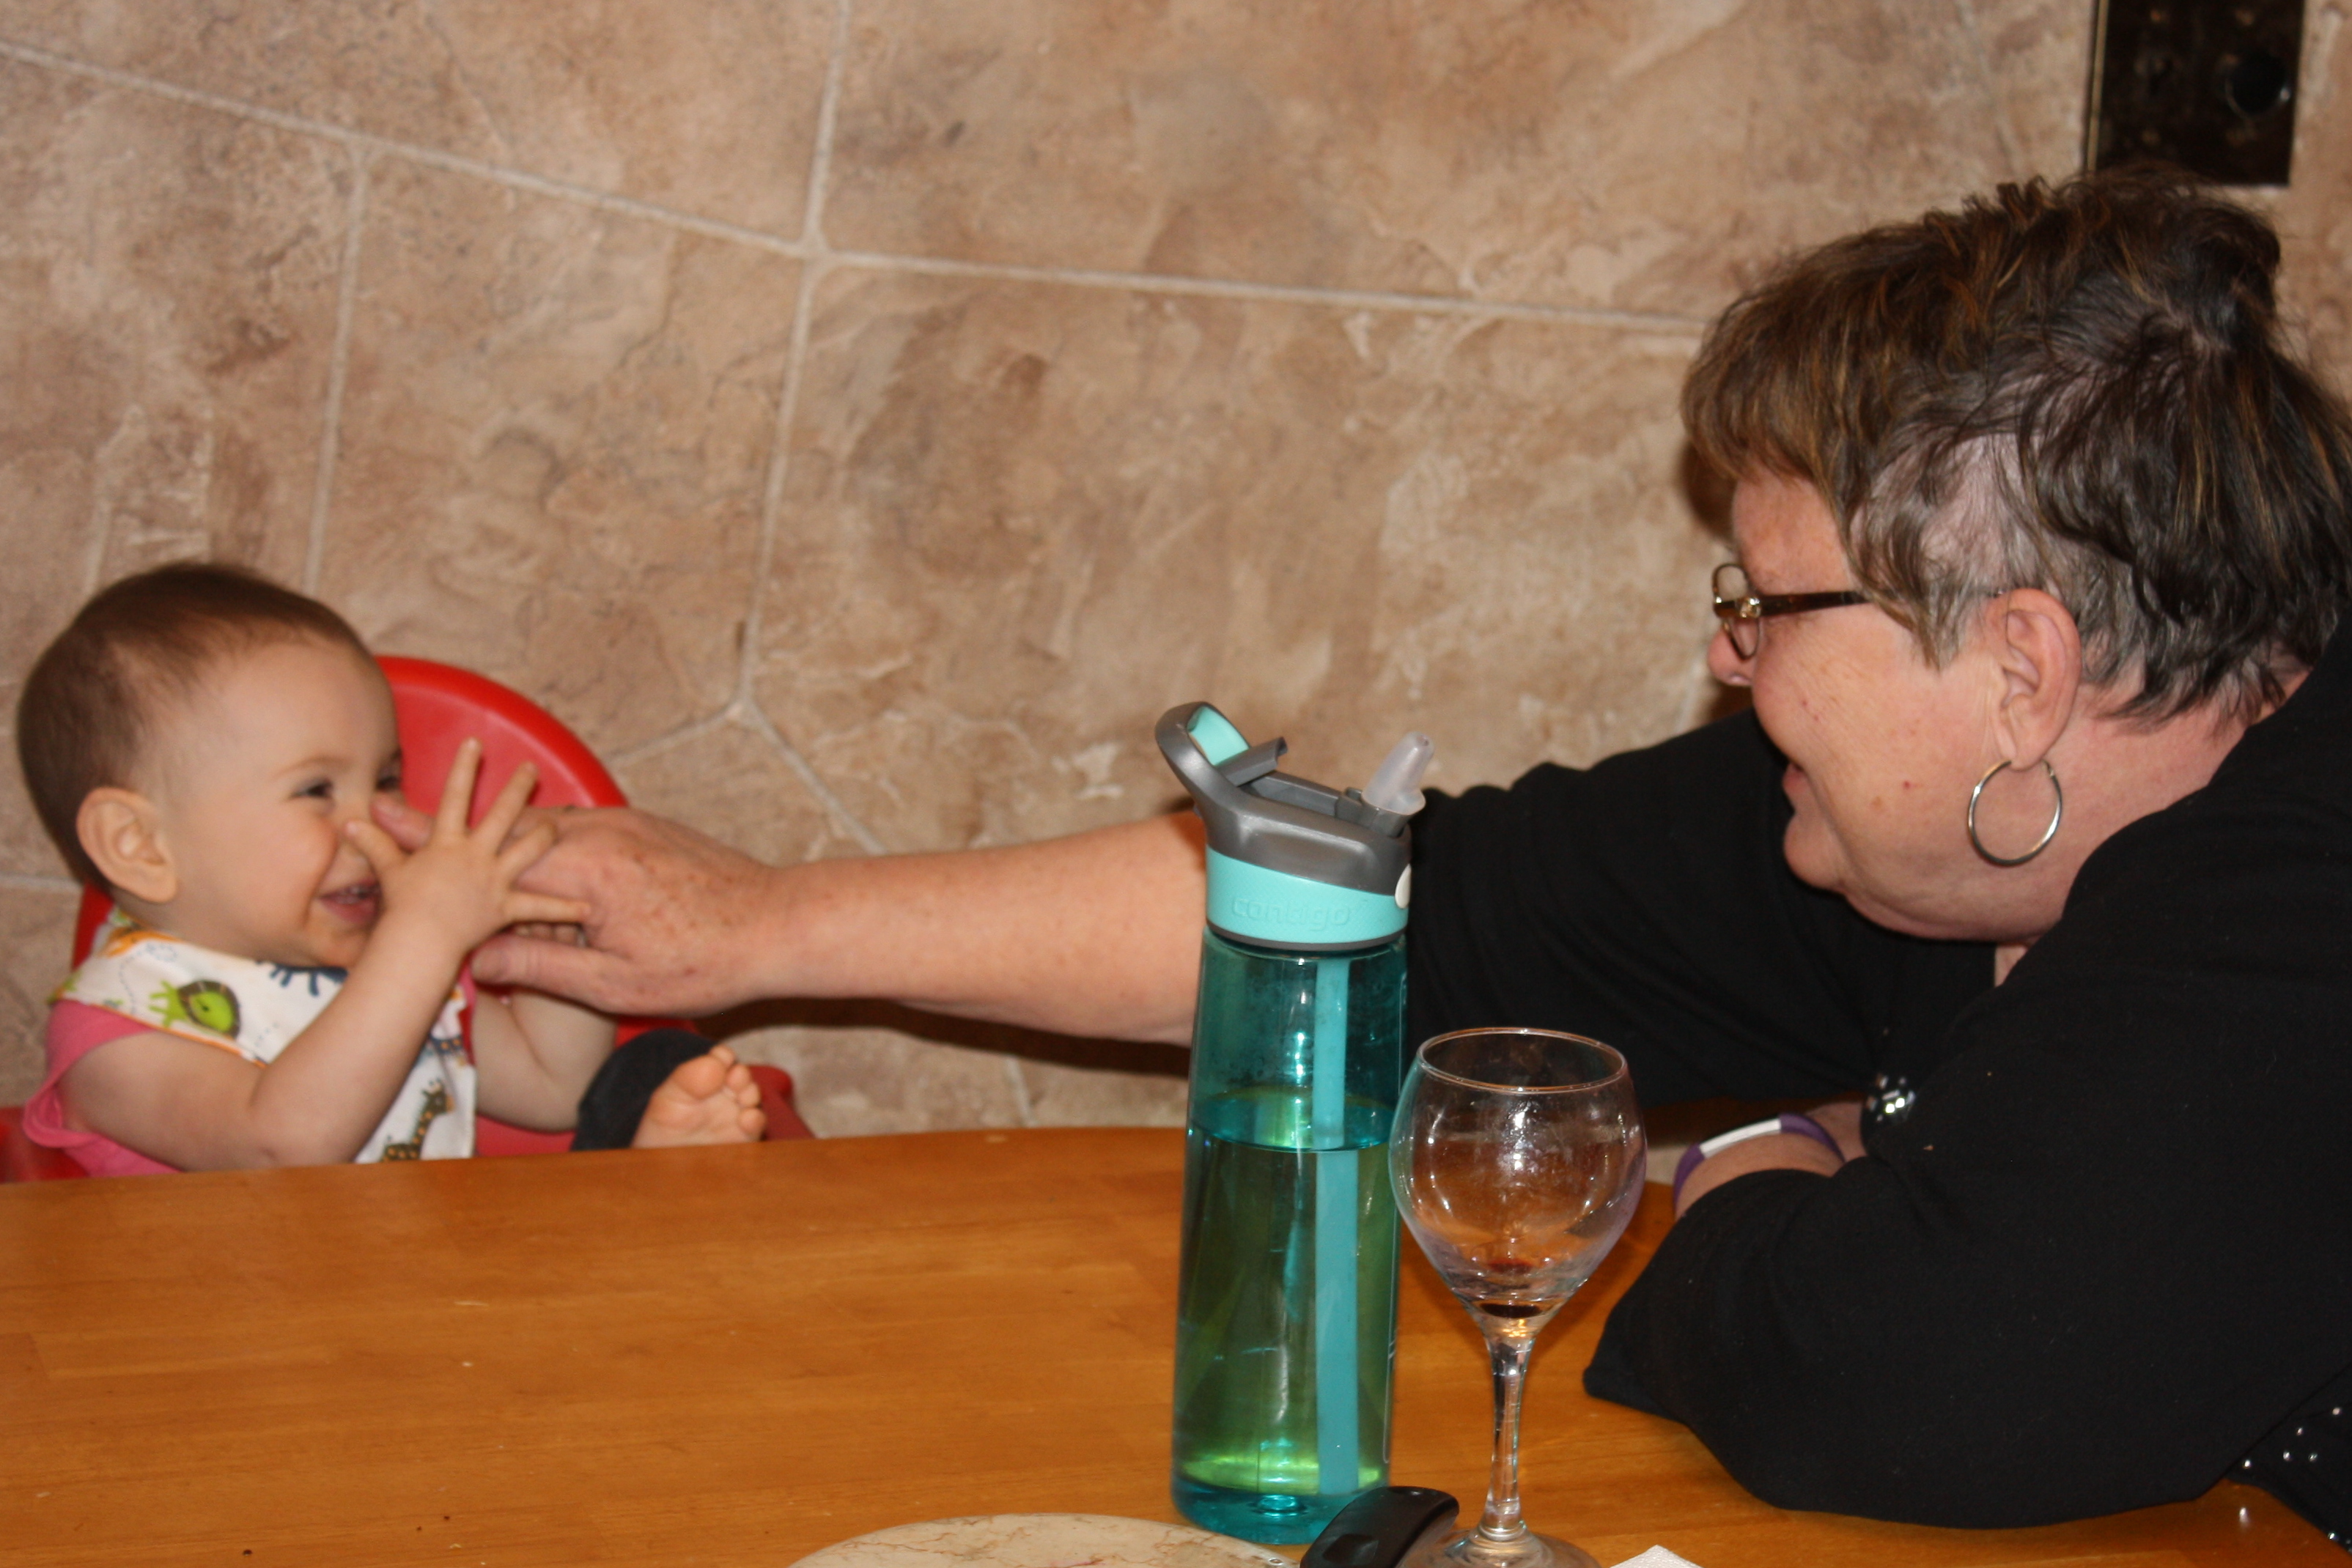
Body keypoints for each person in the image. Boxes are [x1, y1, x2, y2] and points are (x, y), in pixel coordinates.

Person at [383, 169, 2352, 1540]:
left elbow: (1900, 1380)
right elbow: (1396, 901)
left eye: (1764, 605)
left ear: (2019, 667)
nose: (1728, 660)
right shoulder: (1917, 835)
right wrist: (753, 925)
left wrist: (1751, 1165)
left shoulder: (2300, 892)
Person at [14, 564, 766, 1175]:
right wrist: (424, 938)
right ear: (140, 846)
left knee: (656, 1067)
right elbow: (279, 1145)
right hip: (261, 1314)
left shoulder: (387, 956)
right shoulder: (112, 1035)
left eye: (385, 780)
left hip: (438, 1284)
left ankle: (637, 1197)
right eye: (316, 790)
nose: (373, 821)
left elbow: (553, 1088)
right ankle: (633, 1211)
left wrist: (563, 946)